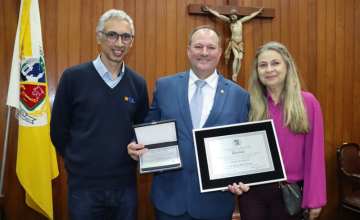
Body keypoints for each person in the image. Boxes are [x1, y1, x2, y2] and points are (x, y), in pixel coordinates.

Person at [128, 25, 250, 220]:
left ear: (220, 52)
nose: (204, 53)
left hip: (215, 205)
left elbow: (243, 146)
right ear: (188, 50)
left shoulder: (239, 96)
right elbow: (148, 127)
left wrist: (243, 177)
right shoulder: (165, 86)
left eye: (211, 48)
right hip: (169, 201)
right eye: (198, 46)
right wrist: (135, 144)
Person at [50, 9, 149, 220]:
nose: (119, 43)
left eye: (126, 37)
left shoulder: (138, 84)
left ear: (132, 41)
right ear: (99, 37)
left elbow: (143, 130)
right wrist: (80, 161)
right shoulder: (73, 78)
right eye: (112, 35)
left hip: (126, 189)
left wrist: (134, 144)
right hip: (84, 190)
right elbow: (58, 131)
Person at [236, 41, 326, 220]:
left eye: (275, 63)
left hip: (288, 193)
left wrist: (314, 199)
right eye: (263, 65)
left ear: (287, 66)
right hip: (252, 195)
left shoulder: (307, 103)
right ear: (257, 71)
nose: (269, 69)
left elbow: (314, 154)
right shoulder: (248, 104)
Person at [202, 6, 264, 82]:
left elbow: (250, 16)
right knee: (237, 57)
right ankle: (234, 74)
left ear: (236, 15)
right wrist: (209, 10)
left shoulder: (241, 21)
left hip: (240, 42)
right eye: (231, 16)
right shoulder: (229, 22)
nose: (232, 17)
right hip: (234, 42)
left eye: (233, 16)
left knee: (240, 59)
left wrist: (258, 12)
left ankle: (236, 74)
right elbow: (218, 15)